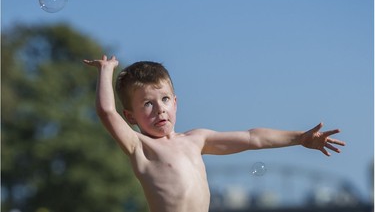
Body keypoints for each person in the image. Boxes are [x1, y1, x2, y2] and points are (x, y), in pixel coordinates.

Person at [83, 55, 346, 212]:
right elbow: (107, 112)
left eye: (164, 99)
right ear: (130, 117)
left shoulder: (197, 140)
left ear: (175, 102)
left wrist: (299, 138)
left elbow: (252, 138)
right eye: (147, 104)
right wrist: (106, 71)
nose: (159, 110)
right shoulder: (140, 146)